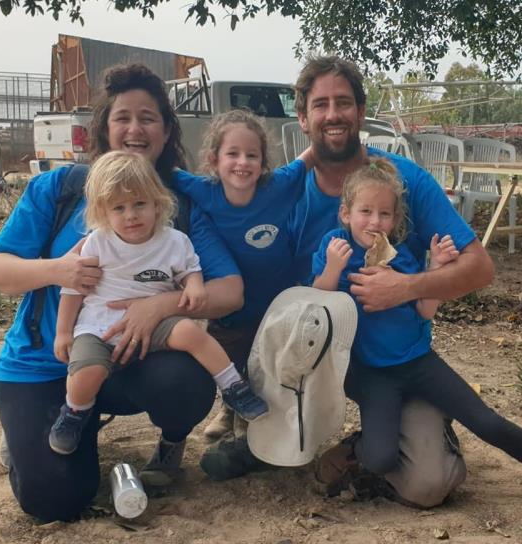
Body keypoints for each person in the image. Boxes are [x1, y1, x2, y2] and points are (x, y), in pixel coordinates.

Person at [201, 54, 495, 508]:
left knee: (428, 485)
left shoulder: (399, 183)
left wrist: (407, 287)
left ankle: (381, 442)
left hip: (392, 357)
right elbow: (220, 213)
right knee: (295, 319)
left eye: (343, 103)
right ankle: (268, 436)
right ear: (303, 117)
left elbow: (480, 268)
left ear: (360, 111)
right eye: (320, 105)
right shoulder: (282, 190)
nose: (333, 114)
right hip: (315, 352)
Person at [0, 63, 244, 522]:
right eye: (123, 116)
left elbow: (230, 291)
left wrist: (161, 305)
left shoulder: (175, 205)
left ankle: (169, 442)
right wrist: (60, 270)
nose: (135, 128)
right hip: (45, 363)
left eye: (148, 117)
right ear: (104, 127)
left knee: (186, 382)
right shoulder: (60, 189)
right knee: (54, 501)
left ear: (166, 130)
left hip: (130, 359)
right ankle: (38, 427)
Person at [312, 157, 522, 482]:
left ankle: (439, 429)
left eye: (384, 214)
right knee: (380, 458)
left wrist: (436, 268)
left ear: (395, 219)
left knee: (486, 421)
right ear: (345, 213)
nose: (374, 222)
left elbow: (424, 310)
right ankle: (368, 446)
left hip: (419, 361)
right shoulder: (334, 247)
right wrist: (332, 269)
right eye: (365, 211)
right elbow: (317, 302)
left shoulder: (401, 255)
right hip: (374, 374)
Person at [50, 151, 268, 456]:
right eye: (119, 208)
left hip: (157, 323)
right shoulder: (96, 243)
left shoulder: (174, 240)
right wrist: (63, 332)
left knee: (193, 334)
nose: (131, 215)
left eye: (140, 204)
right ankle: (74, 412)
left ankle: (234, 388)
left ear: (157, 202)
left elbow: (190, 270)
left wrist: (194, 286)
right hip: (101, 323)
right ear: (103, 211)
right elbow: (72, 290)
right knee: (87, 373)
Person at [171, 109, 311, 438]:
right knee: (230, 355)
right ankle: (229, 406)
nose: (242, 162)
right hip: (229, 304)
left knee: (266, 358)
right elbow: (165, 171)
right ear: (213, 159)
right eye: (232, 154)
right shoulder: (202, 190)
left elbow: (311, 156)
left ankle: (259, 415)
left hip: (274, 300)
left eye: (252, 155)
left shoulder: (278, 185)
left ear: (263, 163)